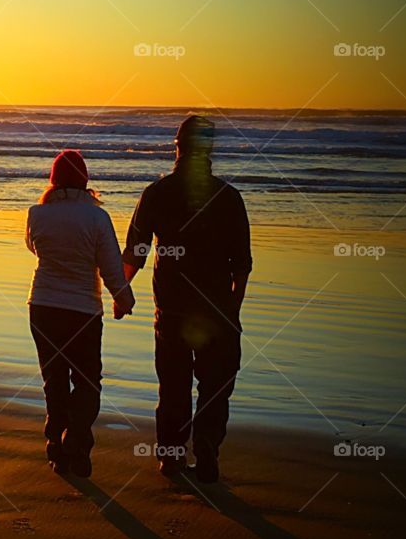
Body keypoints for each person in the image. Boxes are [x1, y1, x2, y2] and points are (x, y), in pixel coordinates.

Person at [122, 115, 251, 483]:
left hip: (173, 310)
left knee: (174, 386)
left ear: (176, 147)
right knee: (214, 387)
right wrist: (233, 311)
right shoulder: (228, 197)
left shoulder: (157, 193)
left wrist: (119, 290)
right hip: (217, 312)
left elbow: (136, 253)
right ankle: (207, 452)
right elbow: (242, 265)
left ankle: (172, 458)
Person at [25, 149, 135, 478]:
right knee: (87, 383)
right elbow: (111, 266)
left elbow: (33, 248)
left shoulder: (36, 214)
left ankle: (57, 448)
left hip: (42, 307)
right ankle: (76, 444)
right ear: (85, 180)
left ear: (53, 179)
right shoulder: (97, 218)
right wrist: (124, 298)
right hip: (83, 311)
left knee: (54, 381)